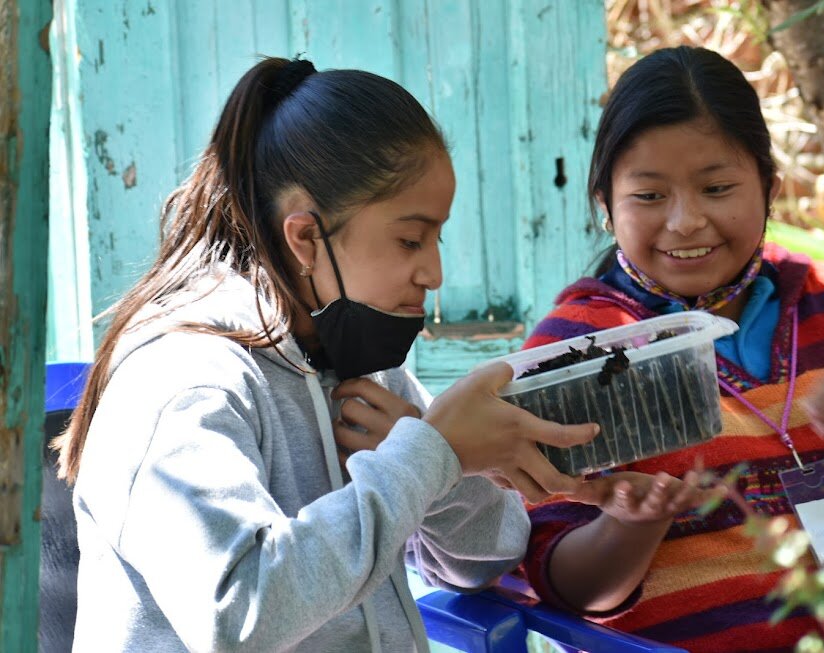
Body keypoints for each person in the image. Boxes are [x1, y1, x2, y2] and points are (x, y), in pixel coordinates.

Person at [53, 57, 599, 653]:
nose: (434, 272)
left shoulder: (351, 353)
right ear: (306, 238)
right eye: (410, 239)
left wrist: (434, 464)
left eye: (437, 237)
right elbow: (238, 616)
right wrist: (428, 455)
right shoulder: (183, 379)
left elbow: (486, 559)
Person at [520, 46, 824, 652]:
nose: (685, 222)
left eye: (716, 187)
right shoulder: (577, 350)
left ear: (769, 186)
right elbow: (566, 584)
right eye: (650, 196)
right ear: (605, 205)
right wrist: (636, 523)